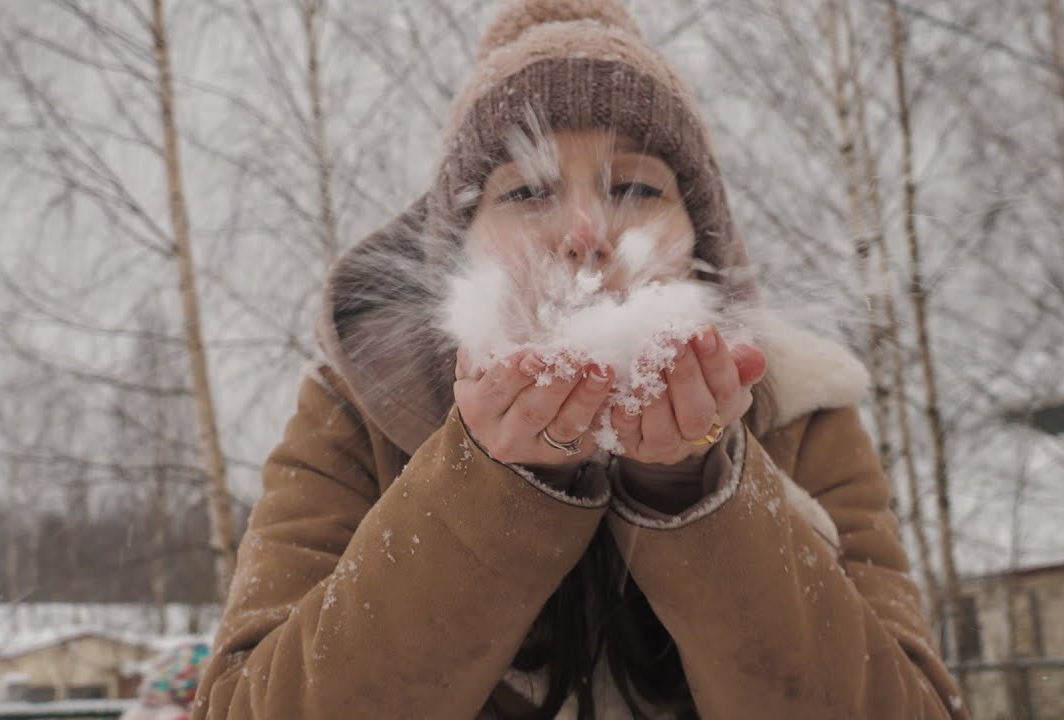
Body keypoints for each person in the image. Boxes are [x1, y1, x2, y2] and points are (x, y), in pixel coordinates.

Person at [193, 1, 967, 718]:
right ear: (459, 253)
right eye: (527, 193)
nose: (587, 233)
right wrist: (490, 488)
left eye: (636, 187)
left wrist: (694, 491)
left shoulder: (803, 410)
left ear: (702, 250)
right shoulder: (354, 408)